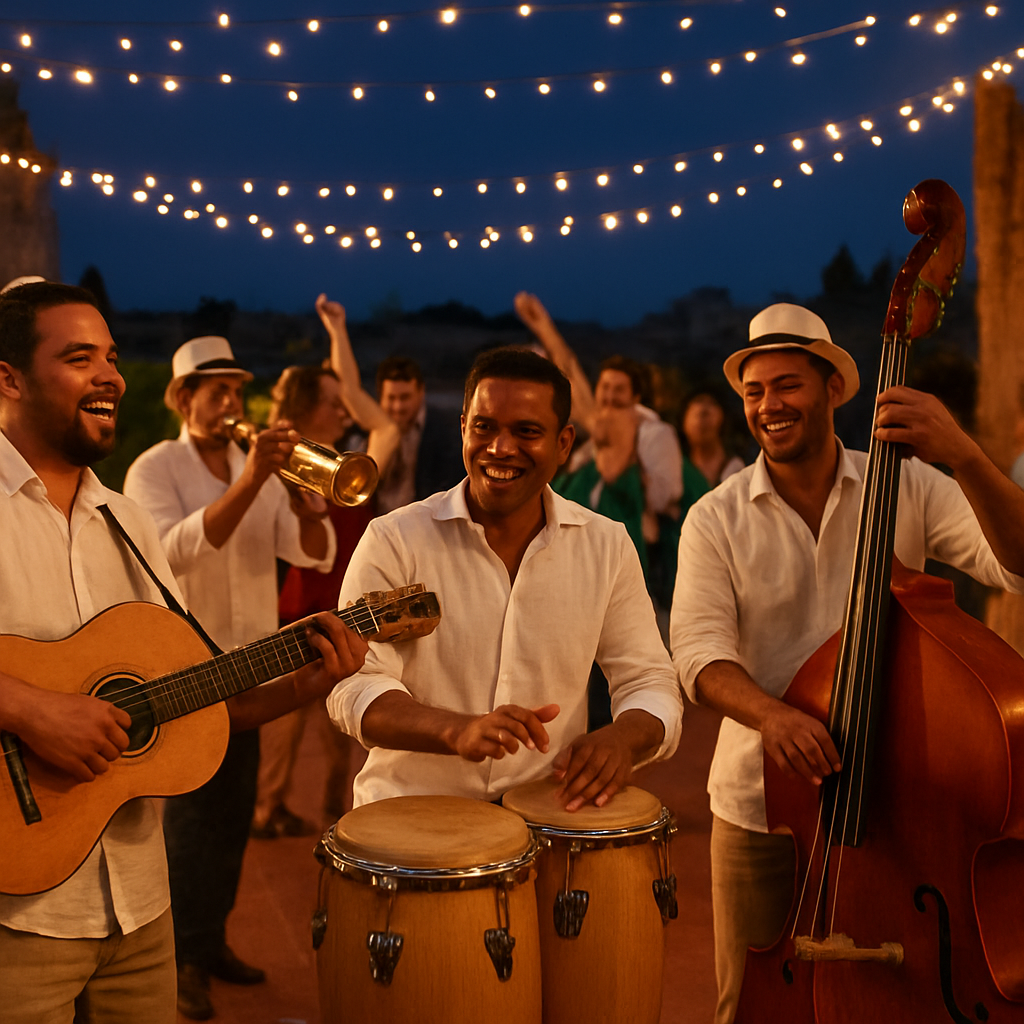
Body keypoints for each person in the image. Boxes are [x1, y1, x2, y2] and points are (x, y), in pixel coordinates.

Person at [0, 281, 366, 1024]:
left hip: (140, 907)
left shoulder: (124, 520)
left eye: (110, 356)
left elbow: (203, 695)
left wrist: (309, 679)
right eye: (79, 357)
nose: (110, 374)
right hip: (19, 915)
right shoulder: (154, 479)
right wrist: (33, 709)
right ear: (6, 378)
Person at [670, 302, 1024, 1024]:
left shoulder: (911, 485)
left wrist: (963, 453)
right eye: (755, 391)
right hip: (762, 809)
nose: (769, 405)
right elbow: (699, 655)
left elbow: (1015, 564)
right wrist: (772, 715)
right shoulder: (715, 517)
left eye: (787, 385)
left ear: (834, 388)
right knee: (751, 1003)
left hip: (902, 806)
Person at [328, 347, 683, 810]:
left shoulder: (606, 545)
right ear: (462, 429)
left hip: (548, 823)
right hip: (409, 822)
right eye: (485, 427)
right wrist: (456, 730)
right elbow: (354, 684)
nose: (500, 448)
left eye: (527, 432)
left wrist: (621, 740)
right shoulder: (395, 538)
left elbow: (649, 678)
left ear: (564, 443)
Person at [122, 336, 339, 1021]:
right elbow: (176, 550)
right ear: (183, 398)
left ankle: (209, 941)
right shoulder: (153, 469)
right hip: (182, 670)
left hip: (247, 669)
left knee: (232, 818)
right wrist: (252, 482)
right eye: (212, 389)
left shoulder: (257, 467)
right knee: (189, 825)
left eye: (233, 388)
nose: (227, 401)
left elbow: (308, 552)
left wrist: (308, 507)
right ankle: (179, 960)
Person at [251, 293, 401, 837]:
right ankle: (269, 811)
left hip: (345, 613)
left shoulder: (351, 469)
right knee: (282, 728)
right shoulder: (277, 462)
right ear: (305, 407)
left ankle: (337, 814)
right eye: (333, 404)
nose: (344, 413)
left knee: (345, 731)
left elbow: (379, 422)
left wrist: (338, 334)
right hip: (298, 611)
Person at [514, 291, 683, 540]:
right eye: (605, 387)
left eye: (619, 389)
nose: (610, 396)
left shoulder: (654, 433)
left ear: (636, 397)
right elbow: (572, 382)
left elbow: (667, 495)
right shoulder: (592, 440)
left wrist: (631, 475)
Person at [373, 353, 461, 512]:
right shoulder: (369, 430)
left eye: (405, 397)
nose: (398, 407)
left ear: (421, 392)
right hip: (376, 524)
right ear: (380, 397)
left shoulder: (446, 432)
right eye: (391, 398)